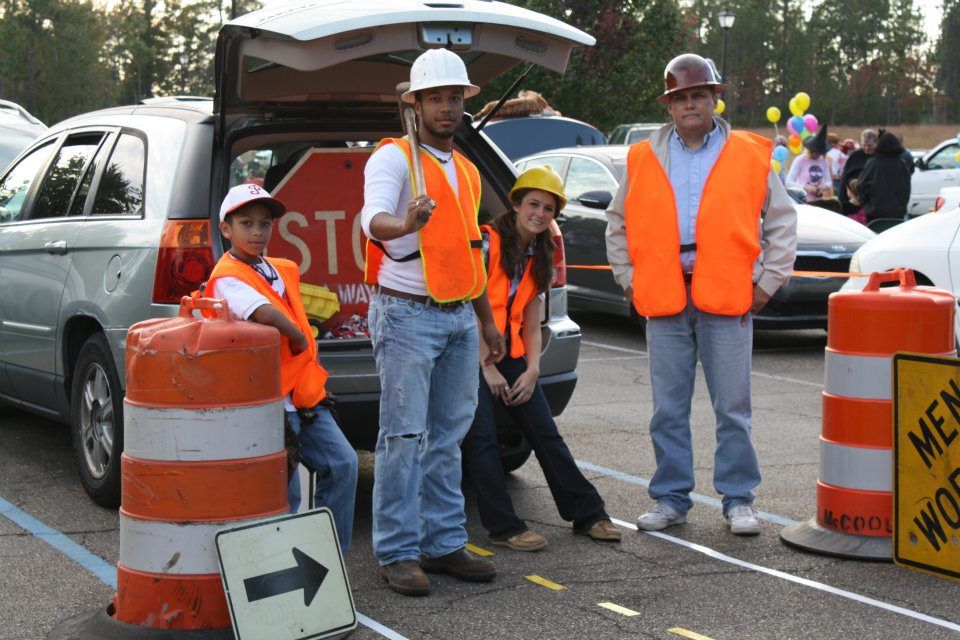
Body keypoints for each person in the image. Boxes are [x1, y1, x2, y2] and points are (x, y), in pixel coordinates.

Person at [605, 53, 797, 536]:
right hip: (665, 300)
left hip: (729, 298)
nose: (690, 104)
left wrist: (766, 284)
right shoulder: (643, 156)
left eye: (698, 95)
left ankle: (739, 500)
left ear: (715, 99)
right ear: (669, 107)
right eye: (681, 98)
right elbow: (617, 223)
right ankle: (671, 498)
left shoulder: (751, 153)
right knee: (667, 409)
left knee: (732, 408)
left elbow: (782, 222)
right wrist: (629, 280)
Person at [361, 48, 505, 597]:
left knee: (448, 437)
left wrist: (487, 322)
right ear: (415, 104)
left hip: (460, 316)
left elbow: (472, 253)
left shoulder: (466, 171)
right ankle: (398, 551)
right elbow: (372, 220)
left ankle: (443, 543)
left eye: (454, 97)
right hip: (404, 315)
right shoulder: (393, 158)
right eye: (435, 98)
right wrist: (406, 220)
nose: (446, 107)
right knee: (403, 437)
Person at [461, 166, 621, 552]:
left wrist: (532, 370)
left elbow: (531, 324)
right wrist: (488, 367)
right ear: (515, 204)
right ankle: (503, 527)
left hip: (511, 354)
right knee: (481, 438)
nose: (540, 214)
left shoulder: (539, 253)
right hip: (471, 355)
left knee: (545, 432)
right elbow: (467, 309)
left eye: (549, 208)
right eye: (533, 204)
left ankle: (588, 514)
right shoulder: (487, 242)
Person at [203, 183, 358, 556]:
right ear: (226, 229)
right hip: (268, 402)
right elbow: (263, 312)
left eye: (264, 224)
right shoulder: (228, 276)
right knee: (282, 496)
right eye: (246, 223)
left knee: (343, 464)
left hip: (303, 396)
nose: (257, 232)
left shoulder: (277, 269)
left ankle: (329, 559)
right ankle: (279, 578)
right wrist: (298, 335)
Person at [856, 129, 912, 224]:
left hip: (874, 214)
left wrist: (865, 205)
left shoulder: (873, 163)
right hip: (898, 213)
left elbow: (860, 185)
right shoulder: (901, 164)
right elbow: (906, 188)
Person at [786, 126, 834, 201]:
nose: (818, 155)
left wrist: (824, 186)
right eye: (816, 152)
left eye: (820, 152)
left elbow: (829, 182)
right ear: (810, 150)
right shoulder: (800, 160)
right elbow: (789, 182)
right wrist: (804, 187)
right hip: (802, 200)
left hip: (818, 201)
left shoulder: (824, 161)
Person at [839, 129, 878, 214]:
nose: (867, 148)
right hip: (854, 200)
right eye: (864, 145)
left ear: (876, 143)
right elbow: (845, 178)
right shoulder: (855, 156)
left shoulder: (880, 157)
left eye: (870, 146)